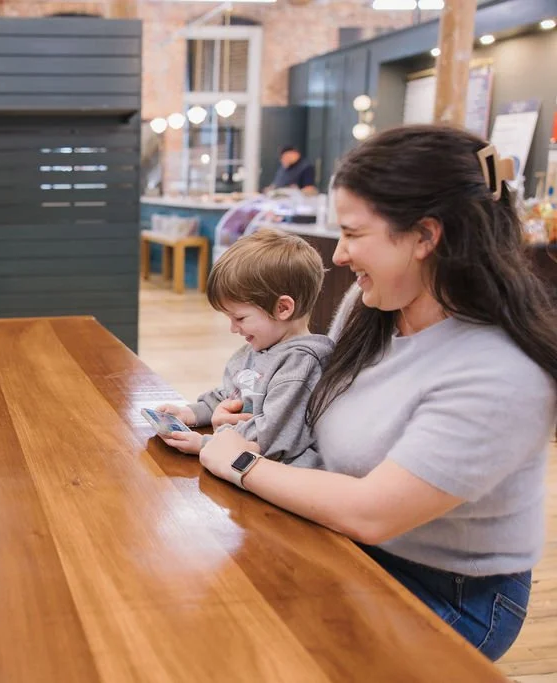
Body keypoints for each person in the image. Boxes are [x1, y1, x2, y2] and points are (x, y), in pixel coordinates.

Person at [198, 125, 557, 661]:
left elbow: (373, 512)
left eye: (352, 233)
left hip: (447, 593)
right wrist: (246, 415)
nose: (339, 255)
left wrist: (241, 463)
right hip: (348, 543)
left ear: (424, 236)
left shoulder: (500, 373)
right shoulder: (371, 311)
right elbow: (318, 410)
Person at [157, 229, 333, 465]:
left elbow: (272, 438)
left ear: (282, 308)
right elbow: (229, 395)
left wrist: (206, 444)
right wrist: (189, 414)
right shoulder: (257, 349)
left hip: (275, 476)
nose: (233, 328)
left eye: (239, 318)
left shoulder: (301, 365)